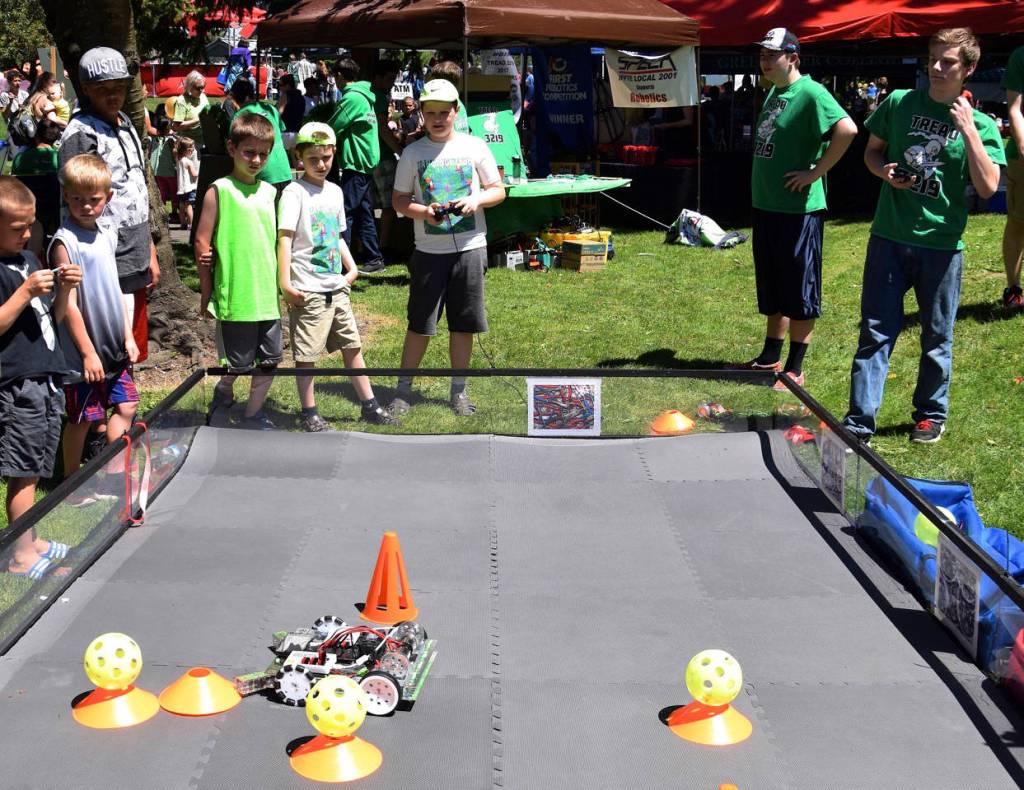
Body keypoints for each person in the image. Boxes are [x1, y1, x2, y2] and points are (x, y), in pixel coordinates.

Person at [842, 28, 1004, 445]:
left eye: (948, 62)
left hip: (941, 246)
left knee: (937, 336)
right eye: (933, 59)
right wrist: (884, 172)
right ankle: (859, 421)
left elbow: (988, 187)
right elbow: (872, 152)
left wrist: (968, 130)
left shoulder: (982, 124)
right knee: (876, 331)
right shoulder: (899, 102)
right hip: (889, 236)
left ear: (968, 69)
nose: (936, 68)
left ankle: (930, 415)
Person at [728, 28, 857, 392]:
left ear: (793, 58)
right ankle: (770, 357)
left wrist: (815, 172)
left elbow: (847, 129)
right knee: (773, 286)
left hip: (798, 211)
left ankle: (795, 369)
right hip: (767, 205)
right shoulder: (775, 92)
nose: (765, 61)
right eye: (762, 55)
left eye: (773, 55)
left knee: (800, 290)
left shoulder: (811, 92)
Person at [390, 79, 506, 416]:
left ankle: (459, 392)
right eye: (431, 113)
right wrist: (424, 212)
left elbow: (498, 190)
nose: (438, 119)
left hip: (471, 248)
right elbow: (398, 200)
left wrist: (475, 200)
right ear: (421, 114)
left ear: (456, 111)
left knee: (463, 324)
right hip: (428, 252)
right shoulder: (412, 154)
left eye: (445, 112)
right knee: (420, 325)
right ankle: (402, 391)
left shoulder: (475, 146)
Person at [277, 122, 396, 430]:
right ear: (299, 157)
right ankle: (310, 412)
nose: (321, 164)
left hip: (336, 287)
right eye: (313, 159)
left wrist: (351, 268)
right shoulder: (294, 193)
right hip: (308, 290)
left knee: (352, 346)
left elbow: (337, 235)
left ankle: (369, 405)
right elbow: (285, 239)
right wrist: (285, 283)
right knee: (307, 355)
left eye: (327, 158)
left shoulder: (335, 191)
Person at [0, 176, 82, 577]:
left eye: (31, 225)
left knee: (36, 466)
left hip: (45, 377)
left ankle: (30, 541)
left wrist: (64, 290)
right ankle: (21, 557)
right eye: (18, 227)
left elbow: (55, 318)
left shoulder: (30, 261)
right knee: (23, 472)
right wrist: (25, 292)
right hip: (18, 385)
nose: (27, 234)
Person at [59, 46, 159, 366]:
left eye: (119, 87)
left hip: (135, 249)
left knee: (133, 343)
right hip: (101, 258)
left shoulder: (126, 122)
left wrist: (150, 249)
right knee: (108, 346)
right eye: (103, 89)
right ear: (86, 89)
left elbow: (137, 189)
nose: (112, 94)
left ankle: (128, 396)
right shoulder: (81, 134)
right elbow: (78, 201)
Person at [53, 155, 140, 485]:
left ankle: (113, 468)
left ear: (108, 197)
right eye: (77, 199)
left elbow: (114, 289)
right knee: (83, 419)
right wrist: (88, 353)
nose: (86, 206)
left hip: (114, 347)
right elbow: (69, 306)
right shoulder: (64, 242)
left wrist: (128, 335)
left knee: (127, 405)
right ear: (65, 195)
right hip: (83, 356)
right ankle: (71, 481)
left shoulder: (105, 234)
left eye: (94, 199)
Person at [194, 112, 282, 430]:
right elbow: (202, 242)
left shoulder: (271, 193)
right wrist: (207, 292)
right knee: (237, 363)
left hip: (267, 296)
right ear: (232, 149)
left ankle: (253, 413)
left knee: (270, 360)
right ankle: (224, 392)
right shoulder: (219, 191)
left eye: (263, 153)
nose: (256, 160)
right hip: (236, 296)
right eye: (249, 152)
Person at [321, 58, 385, 274]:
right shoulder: (365, 95)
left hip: (356, 163)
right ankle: (374, 258)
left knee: (345, 212)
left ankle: (340, 264)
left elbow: (332, 128)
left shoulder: (352, 98)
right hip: (365, 162)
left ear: (339, 75)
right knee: (364, 212)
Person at [229, 79, 293, 191]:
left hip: (263, 174)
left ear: (234, 97)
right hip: (284, 170)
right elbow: (280, 130)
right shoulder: (270, 108)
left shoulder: (239, 116)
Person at [1001, 44, 1024, 309]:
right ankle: (1013, 288)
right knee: (1018, 222)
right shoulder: (1020, 56)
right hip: (1021, 158)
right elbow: (1015, 108)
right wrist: (1022, 144)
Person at [171, 70, 209, 151]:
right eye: (198, 88)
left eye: (203, 87)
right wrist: (197, 120)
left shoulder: (203, 97)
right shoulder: (182, 101)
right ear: (189, 87)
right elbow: (176, 127)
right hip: (188, 146)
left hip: (205, 141)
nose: (201, 90)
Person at [149, 115, 177, 216]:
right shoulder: (170, 140)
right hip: (169, 170)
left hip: (157, 171)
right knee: (174, 192)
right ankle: (174, 212)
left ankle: (161, 212)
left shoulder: (154, 139)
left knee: (162, 192)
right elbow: (174, 154)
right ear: (167, 128)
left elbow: (150, 152)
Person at [174, 136, 199, 230]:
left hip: (180, 188)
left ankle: (183, 224)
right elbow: (194, 174)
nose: (192, 151)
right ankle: (191, 224)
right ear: (187, 150)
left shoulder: (178, 159)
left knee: (181, 206)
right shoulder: (189, 162)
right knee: (189, 206)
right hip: (189, 188)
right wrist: (200, 172)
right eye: (191, 149)